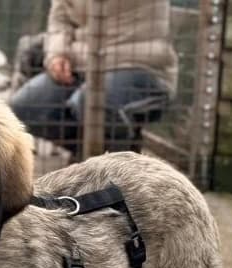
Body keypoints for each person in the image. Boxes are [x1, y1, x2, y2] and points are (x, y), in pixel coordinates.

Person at [10, 0, 177, 156]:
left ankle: (121, 170)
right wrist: (57, 54)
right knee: (23, 107)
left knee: (91, 101)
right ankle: (92, 156)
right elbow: (60, 18)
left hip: (138, 64)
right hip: (83, 63)